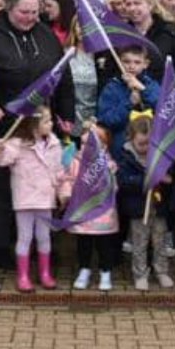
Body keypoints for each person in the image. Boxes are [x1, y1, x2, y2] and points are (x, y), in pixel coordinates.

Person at [0, 0, 68, 271]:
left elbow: (62, 73)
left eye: (34, 12)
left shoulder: (46, 35)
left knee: (38, 186)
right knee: (0, 188)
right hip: (2, 120)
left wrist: (67, 113)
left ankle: (38, 246)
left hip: (39, 124)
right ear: (7, 8)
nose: (30, 17)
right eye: (23, 12)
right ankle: (0, 246)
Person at [0, 106, 63, 292]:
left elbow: (58, 170)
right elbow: (2, 160)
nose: (51, 124)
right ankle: (23, 275)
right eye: (46, 121)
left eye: (50, 120)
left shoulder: (55, 143)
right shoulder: (17, 144)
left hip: (46, 198)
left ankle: (45, 273)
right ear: (34, 124)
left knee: (44, 237)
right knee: (25, 237)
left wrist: (61, 190)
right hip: (25, 198)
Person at [116, 113, 173, 291]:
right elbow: (124, 181)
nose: (145, 148)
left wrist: (167, 179)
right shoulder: (126, 157)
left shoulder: (162, 156)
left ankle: (162, 271)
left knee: (160, 241)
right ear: (131, 139)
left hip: (159, 208)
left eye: (150, 143)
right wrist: (146, 180)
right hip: (139, 209)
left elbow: (171, 179)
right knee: (139, 243)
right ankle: (140, 274)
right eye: (141, 144)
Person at [62, 124, 120, 291]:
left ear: (103, 145)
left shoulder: (108, 164)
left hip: (102, 210)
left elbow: (113, 186)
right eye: (83, 142)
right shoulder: (76, 162)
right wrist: (66, 194)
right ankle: (84, 269)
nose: (85, 147)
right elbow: (68, 179)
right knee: (83, 242)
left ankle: (105, 271)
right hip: (82, 210)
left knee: (105, 244)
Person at [96, 44, 157, 155]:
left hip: (150, 148)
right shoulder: (112, 87)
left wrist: (142, 89)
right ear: (120, 61)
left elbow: (163, 106)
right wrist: (129, 104)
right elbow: (106, 120)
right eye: (127, 62)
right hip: (122, 149)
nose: (131, 66)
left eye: (137, 62)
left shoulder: (151, 85)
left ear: (146, 64)